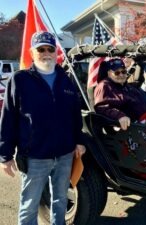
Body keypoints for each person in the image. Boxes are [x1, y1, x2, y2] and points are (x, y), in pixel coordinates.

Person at [0, 31, 86, 225]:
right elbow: (8, 118)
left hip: (64, 154)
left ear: (56, 52)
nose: (46, 53)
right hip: (34, 157)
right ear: (32, 53)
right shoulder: (20, 79)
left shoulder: (66, 79)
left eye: (50, 49)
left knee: (61, 199)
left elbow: (74, 113)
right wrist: (5, 155)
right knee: (29, 205)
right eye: (41, 49)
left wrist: (79, 140)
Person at [94, 58, 146, 130]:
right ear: (109, 73)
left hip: (142, 123)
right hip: (123, 130)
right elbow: (101, 108)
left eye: (123, 72)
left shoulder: (126, 86)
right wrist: (120, 116)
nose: (121, 75)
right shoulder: (104, 86)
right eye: (117, 73)